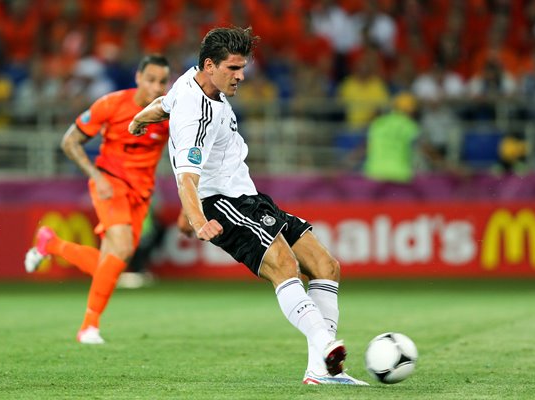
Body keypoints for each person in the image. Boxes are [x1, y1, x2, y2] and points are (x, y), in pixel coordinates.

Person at [128, 27, 368, 386]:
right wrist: (197, 220)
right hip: (222, 203)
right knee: (284, 265)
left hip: (249, 198)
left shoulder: (188, 84)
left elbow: (164, 104)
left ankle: (321, 373)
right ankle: (325, 345)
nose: (241, 76)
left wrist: (138, 120)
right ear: (210, 65)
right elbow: (186, 179)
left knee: (325, 266)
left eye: (242, 68)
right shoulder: (197, 115)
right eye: (233, 68)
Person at [24, 54, 191, 344]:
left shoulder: (168, 115)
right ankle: (88, 327)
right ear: (138, 78)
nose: (155, 87)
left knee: (113, 262)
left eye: (162, 82)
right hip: (110, 182)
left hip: (142, 193)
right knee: (122, 247)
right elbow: (70, 141)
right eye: (150, 80)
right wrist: (96, 176)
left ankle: (50, 243)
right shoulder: (111, 104)